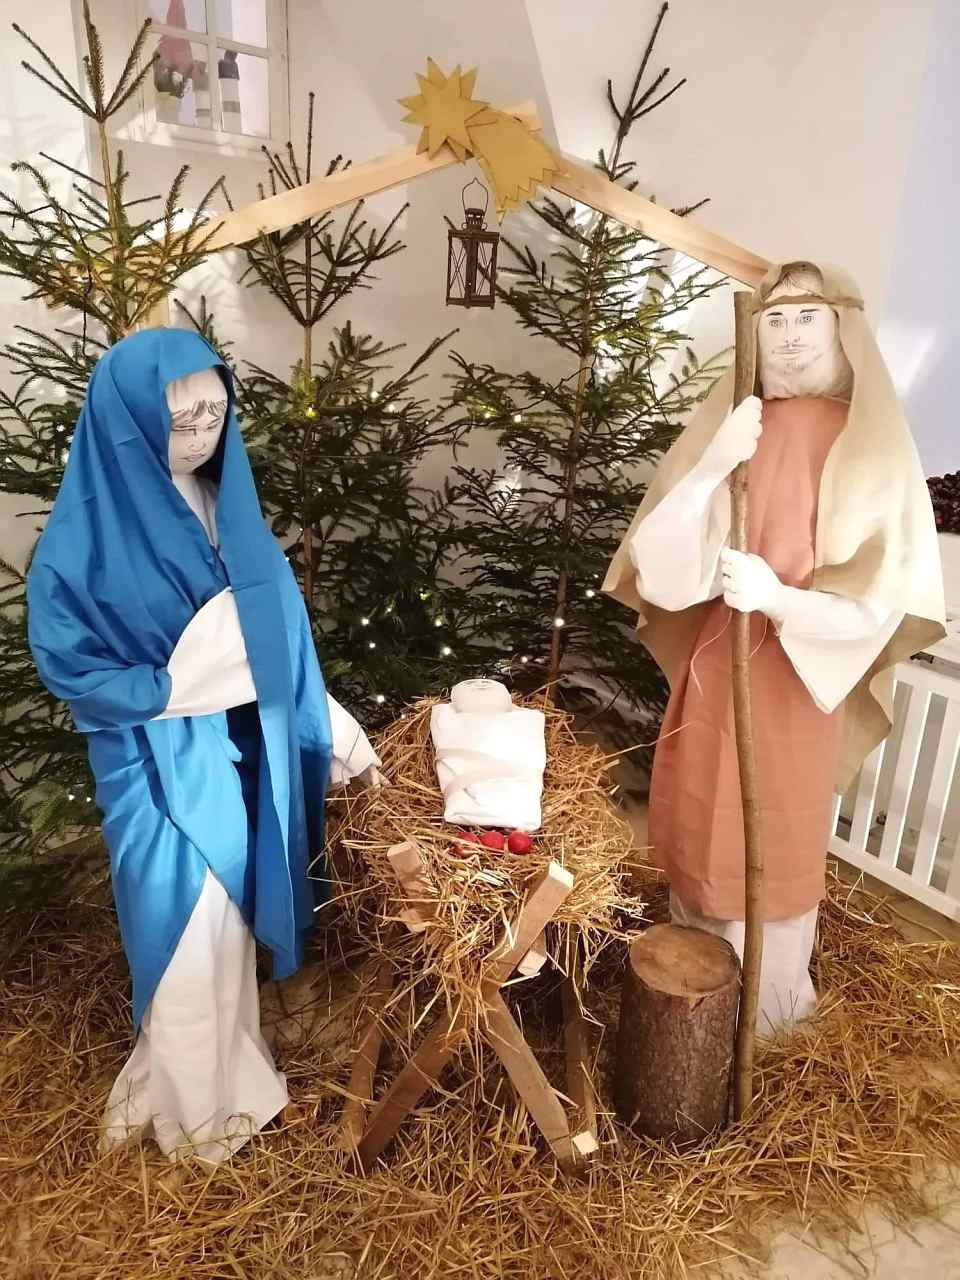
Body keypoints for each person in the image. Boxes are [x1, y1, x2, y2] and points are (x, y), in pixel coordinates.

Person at [27, 328, 381, 1162]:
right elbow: (71, 662)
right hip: (149, 764)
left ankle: (234, 1078)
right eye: (178, 421)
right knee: (181, 931)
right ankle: (194, 1122)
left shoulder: (229, 506)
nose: (199, 436)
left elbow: (277, 642)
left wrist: (327, 728)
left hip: (232, 754)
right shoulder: (83, 539)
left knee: (226, 930)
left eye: (214, 415)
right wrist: (174, 685)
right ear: (128, 425)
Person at [604, 262, 944, 1031]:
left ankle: (766, 1018)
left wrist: (781, 598)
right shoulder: (738, 424)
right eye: (776, 320)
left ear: (842, 328)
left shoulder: (865, 443)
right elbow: (663, 567)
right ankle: (689, 1005)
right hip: (718, 668)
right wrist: (714, 464)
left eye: (807, 318)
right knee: (701, 821)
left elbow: (878, 603)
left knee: (771, 835)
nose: (789, 336)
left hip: (795, 680)